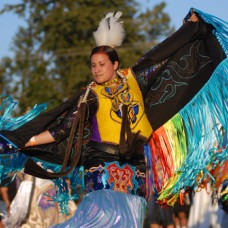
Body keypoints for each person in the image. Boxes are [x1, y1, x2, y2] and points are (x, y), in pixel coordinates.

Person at [0, 8, 227, 227]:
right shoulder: (91, 93)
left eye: (101, 64)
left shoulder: (134, 78)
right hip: (102, 165)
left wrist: (190, 29)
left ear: (115, 64)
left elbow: (162, 53)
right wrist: (26, 141)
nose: (96, 70)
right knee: (98, 220)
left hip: (135, 166)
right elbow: (63, 128)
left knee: (129, 222)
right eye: (93, 66)